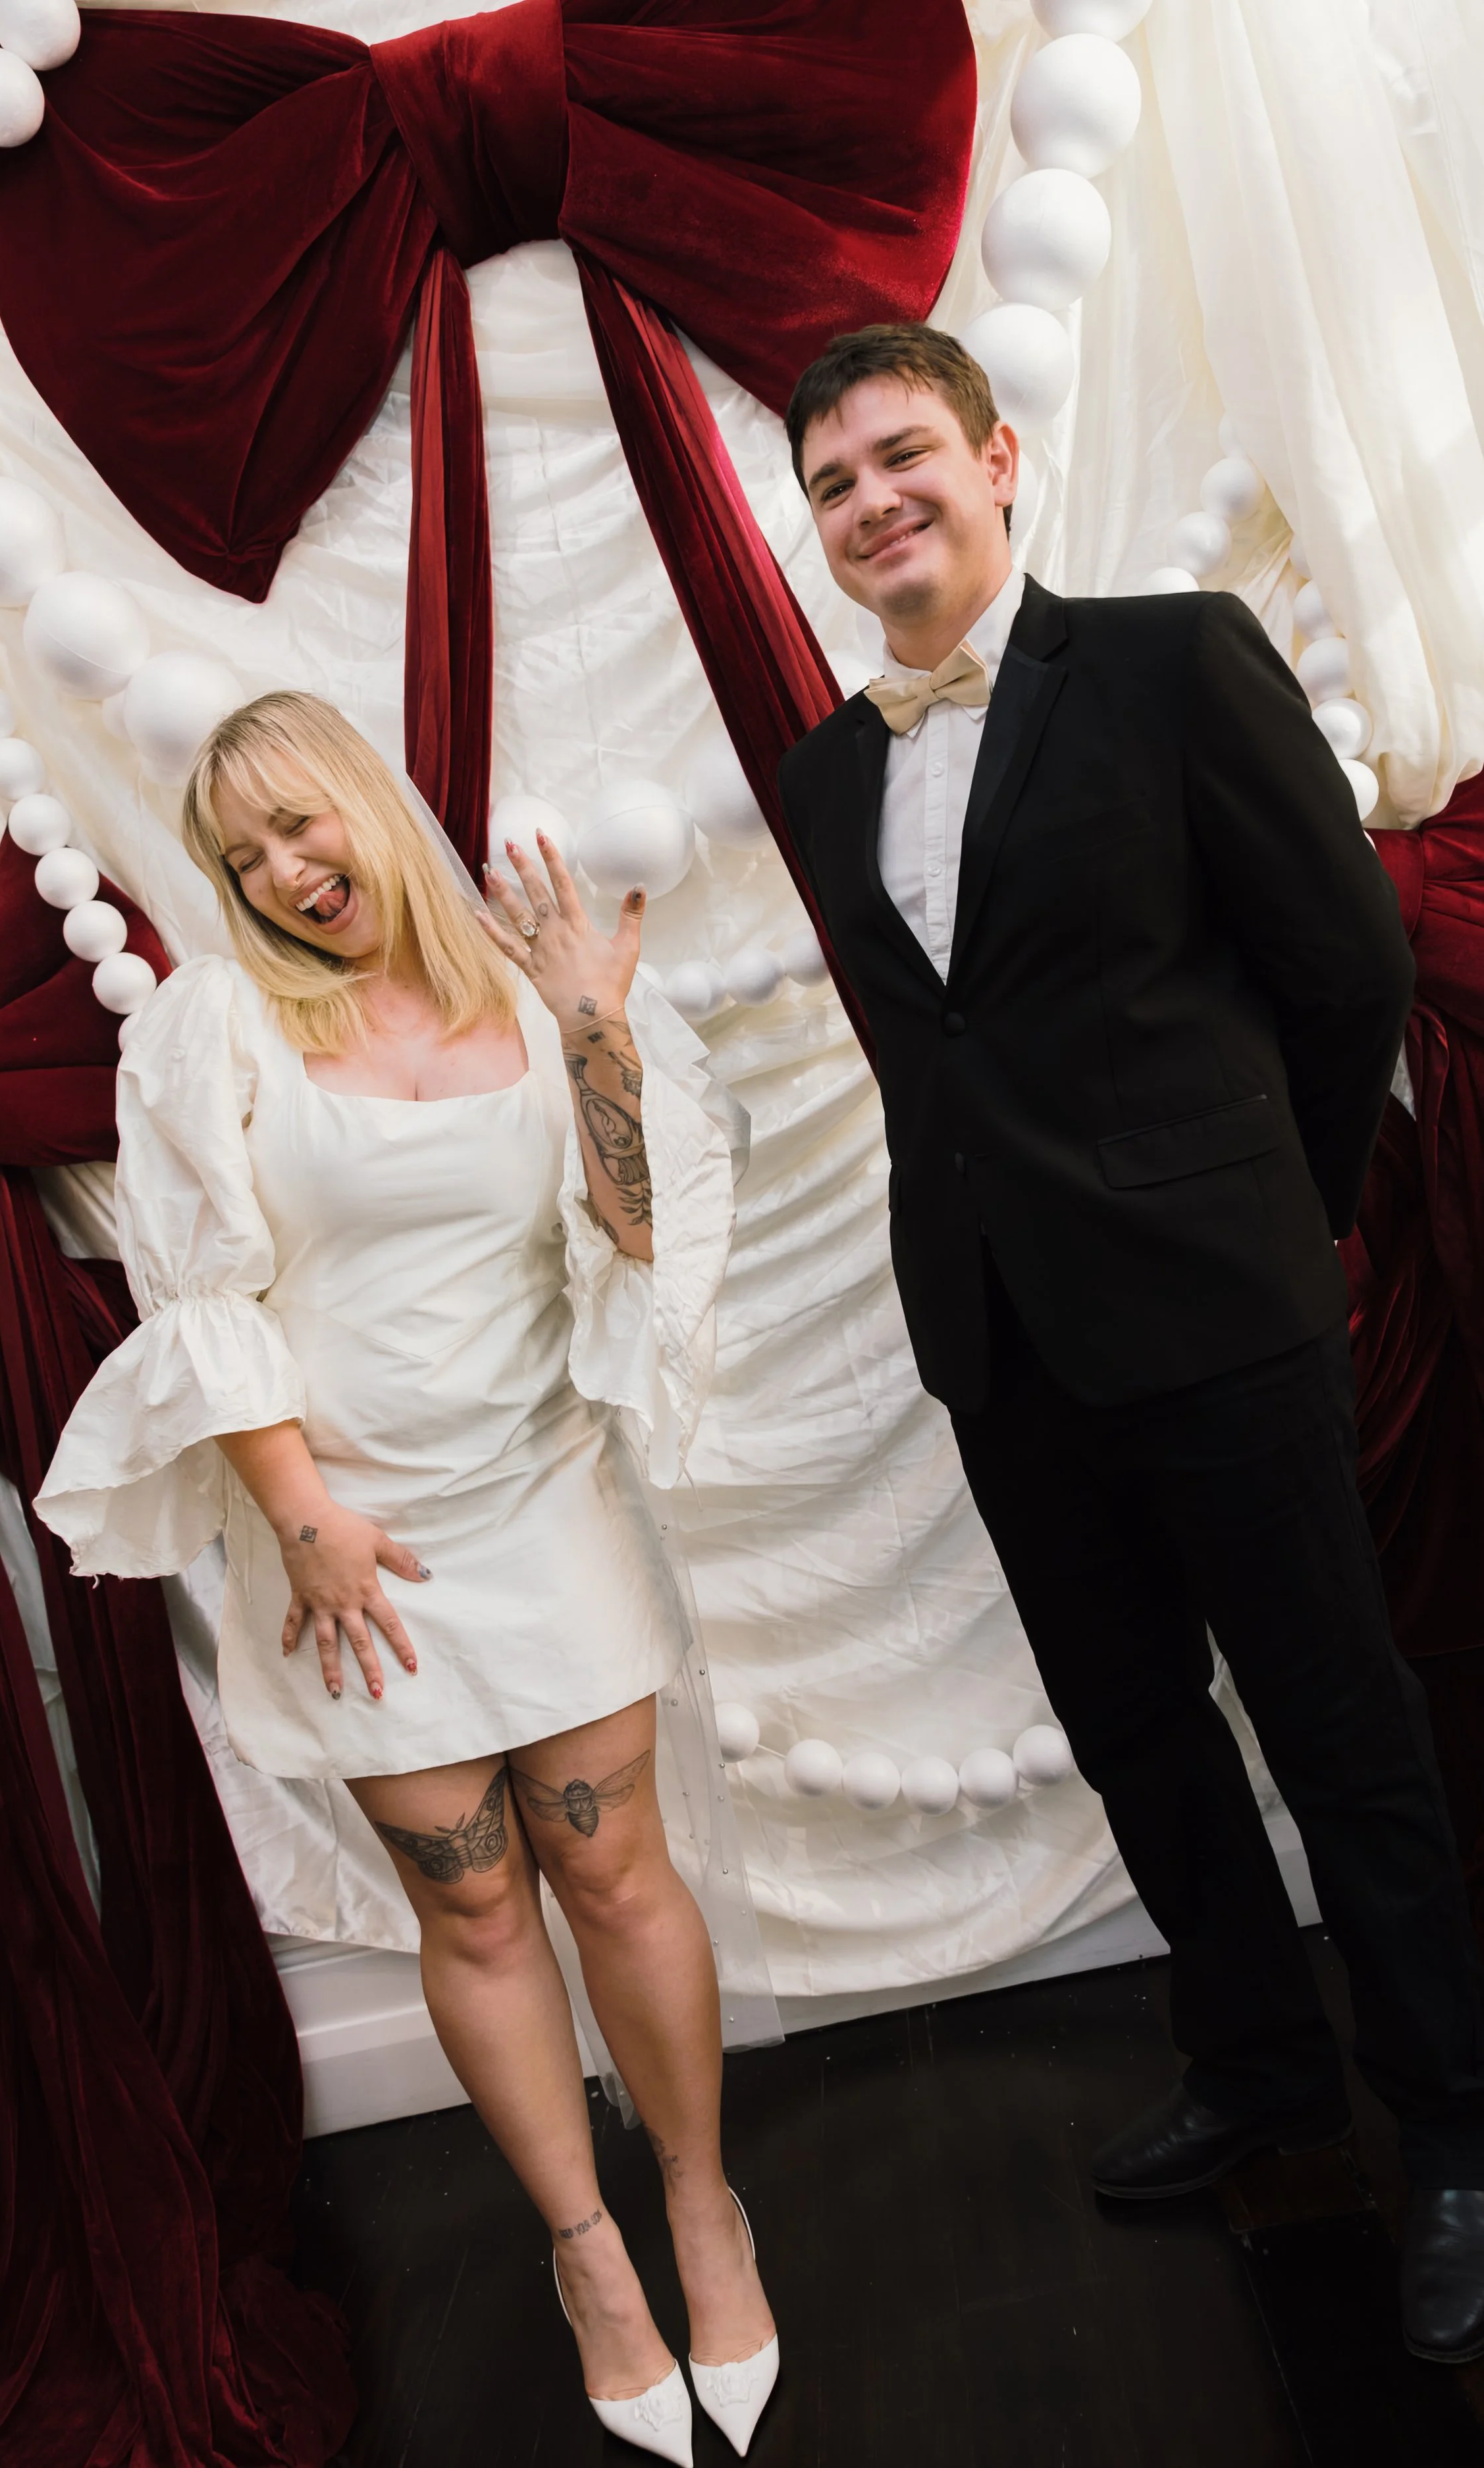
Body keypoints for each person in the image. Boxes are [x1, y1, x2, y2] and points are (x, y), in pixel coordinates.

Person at [776, 322, 1484, 2362]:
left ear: (997, 459)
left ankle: (1450, 2123)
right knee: (1138, 1735)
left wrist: (1278, 1211)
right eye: (832, 483)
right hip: (1001, 1347)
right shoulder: (828, 776)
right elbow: (944, 1054)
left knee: (1335, 1724)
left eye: (902, 455)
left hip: (1222, 1314)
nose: (871, 502)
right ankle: (1263, 2065)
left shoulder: (1170, 661)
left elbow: (1342, 965)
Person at [37, 692, 778, 2464]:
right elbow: (200, 1292)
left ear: (370, 807)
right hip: (354, 1544)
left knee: (616, 1870)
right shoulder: (216, 1025)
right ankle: (588, 2257)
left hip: (542, 1495)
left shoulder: (533, 991)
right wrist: (298, 1512)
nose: (288, 875)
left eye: (305, 826)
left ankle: (699, 2209)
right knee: (473, 1903)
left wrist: (591, 1023)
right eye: (244, 858)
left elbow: (635, 1229)